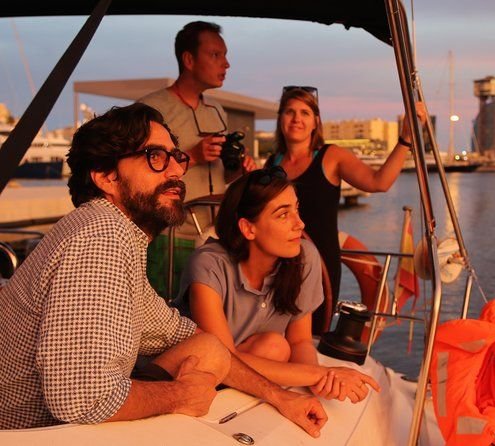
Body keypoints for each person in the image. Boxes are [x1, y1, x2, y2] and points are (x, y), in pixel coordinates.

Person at [0, 103, 326, 438]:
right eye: (155, 157)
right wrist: (181, 395)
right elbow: (82, 398)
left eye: (176, 157)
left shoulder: (121, 237)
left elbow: (191, 337)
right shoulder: (101, 236)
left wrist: (280, 396)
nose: (176, 171)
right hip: (32, 434)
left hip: (62, 427)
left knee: (207, 349)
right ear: (107, 177)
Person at [174, 167, 380, 403]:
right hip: (194, 368)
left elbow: (300, 341)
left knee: (275, 346)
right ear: (248, 228)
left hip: (246, 362)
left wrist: (319, 383)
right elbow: (221, 357)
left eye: (296, 209)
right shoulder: (208, 265)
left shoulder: (304, 258)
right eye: (283, 215)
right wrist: (319, 373)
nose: (300, 224)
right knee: (275, 348)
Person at [266, 86, 427, 333]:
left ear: (315, 122)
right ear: (280, 119)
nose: (296, 118)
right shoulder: (272, 164)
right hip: (275, 265)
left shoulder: (332, 156)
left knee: (310, 337)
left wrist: (405, 139)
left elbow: (379, 182)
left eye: (305, 113)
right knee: (273, 333)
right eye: (289, 112)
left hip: (319, 268)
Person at [138, 21, 255, 296]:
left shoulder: (217, 111)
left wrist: (238, 168)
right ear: (189, 60)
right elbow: (138, 170)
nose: (226, 64)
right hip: (170, 237)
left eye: (225, 55)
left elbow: (224, 175)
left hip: (215, 238)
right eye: (216, 55)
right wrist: (192, 155)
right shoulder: (150, 109)